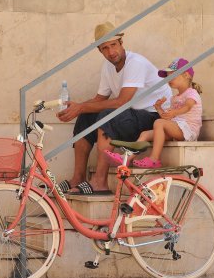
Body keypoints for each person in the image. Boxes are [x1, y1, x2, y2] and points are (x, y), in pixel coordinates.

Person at [57, 21, 172, 195]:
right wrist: (77, 108)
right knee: (86, 116)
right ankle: (78, 177)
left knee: (107, 115)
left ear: (121, 43)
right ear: (100, 50)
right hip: (134, 114)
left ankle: (100, 182)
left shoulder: (136, 63)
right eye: (105, 48)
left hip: (156, 116)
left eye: (113, 45)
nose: (111, 52)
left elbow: (122, 102)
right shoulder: (108, 67)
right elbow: (99, 99)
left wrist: (82, 107)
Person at [105, 58, 203, 168]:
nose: (169, 79)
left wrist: (174, 112)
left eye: (172, 75)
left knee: (158, 123)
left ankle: (154, 159)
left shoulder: (192, 93)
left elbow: (188, 106)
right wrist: (159, 109)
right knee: (145, 134)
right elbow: (167, 119)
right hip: (177, 128)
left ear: (186, 75)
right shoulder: (174, 98)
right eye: (167, 76)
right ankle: (127, 158)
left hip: (188, 129)